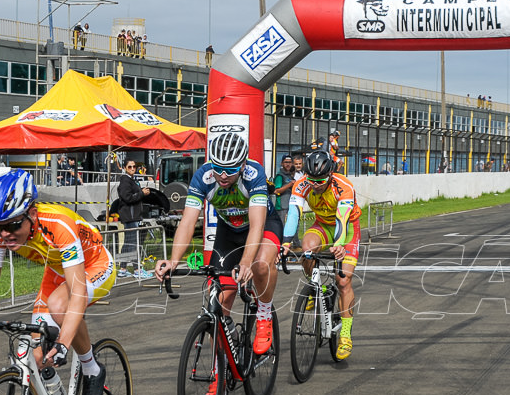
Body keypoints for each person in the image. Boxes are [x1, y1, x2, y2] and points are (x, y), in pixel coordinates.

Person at [0, 170, 115, 395]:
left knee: (59, 305)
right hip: (57, 271)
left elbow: (77, 289)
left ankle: (91, 369)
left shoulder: (58, 225)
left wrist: (63, 343)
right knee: (31, 355)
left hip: (94, 265)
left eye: (13, 225)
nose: (5, 234)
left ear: (33, 215)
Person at [154, 132, 282, 372]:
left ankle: (264, 315)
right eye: (218, 169)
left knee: (260, 266)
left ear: (242, 165)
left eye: (230, 170)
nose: (223, 176)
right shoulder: (203, 176)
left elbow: (256, 226)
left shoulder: (254, 175)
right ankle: (219, 371)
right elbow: (188, 222)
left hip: (263, 225)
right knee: (219, 308)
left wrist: (245, 263)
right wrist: (173, 260)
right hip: (229, 230)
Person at [280, 149, 362, 361]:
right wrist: (286, 242)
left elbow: (342, 220)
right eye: (312, 179)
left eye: (321, 180)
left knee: (343, 281)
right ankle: (317, 288)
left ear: (330, 174)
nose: (316, 184)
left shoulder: (343, 186)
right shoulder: (302, 184)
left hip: (347, 228)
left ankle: (345, 334)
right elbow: (294, 214)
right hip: (322, 225)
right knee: (306, 250)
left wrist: (339, 245)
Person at [116, 158, 151, 276]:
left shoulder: (132, 180)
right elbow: (127, 198)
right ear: (125, 168)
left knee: (128, 243)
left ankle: (122, 269)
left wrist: (141, 193)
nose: (132, 169)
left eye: (134, 167)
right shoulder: (125, 181)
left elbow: (132, 196)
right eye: (130, 167)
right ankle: (137, 269)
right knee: (132, 243)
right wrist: (141, 193)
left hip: (133, 215)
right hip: (130, 216)